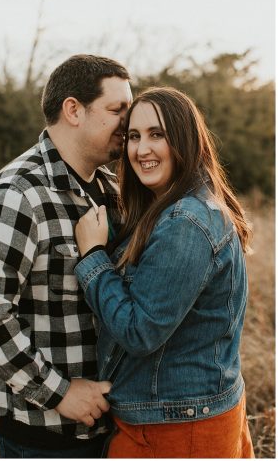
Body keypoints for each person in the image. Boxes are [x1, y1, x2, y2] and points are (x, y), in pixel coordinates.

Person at [0, 54, 133, 458]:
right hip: (40, 429)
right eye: (117, 110)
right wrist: (60, 392)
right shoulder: (18, 193)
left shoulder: (113, 189)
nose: (128, 123)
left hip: (104, 424)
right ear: (73, 110)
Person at [73, 87, 253, 458]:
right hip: (185, 414)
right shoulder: (175, 207)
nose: (141, 149)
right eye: (133, 136)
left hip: (177, 428)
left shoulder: (185, 223)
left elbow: (140, 332)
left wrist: (92, 257)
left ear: (184, 140)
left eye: (157, 135)